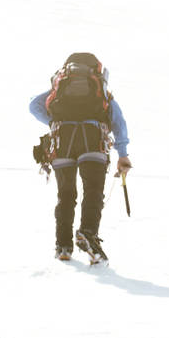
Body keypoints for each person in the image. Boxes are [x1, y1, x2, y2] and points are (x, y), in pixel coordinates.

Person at [29, 52, 130, 263]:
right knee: (93, 191)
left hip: (62, 140)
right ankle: (87, 233)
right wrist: (122, 154)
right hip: (93, 139)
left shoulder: (59, 89)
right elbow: (118, 121)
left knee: (65, 195)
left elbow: (34, 106)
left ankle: (63, 246)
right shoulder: (101, 91)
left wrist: (54, 121)